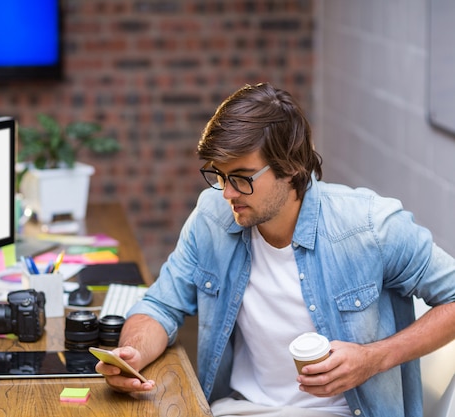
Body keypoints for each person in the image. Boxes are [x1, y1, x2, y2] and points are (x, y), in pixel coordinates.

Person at [95, 82, 455, 417]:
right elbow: (161, 305)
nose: (227, 193)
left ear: (291, 166)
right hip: (241, 408)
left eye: (241, 177)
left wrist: (373, 358)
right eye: (219, 175)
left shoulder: (370, 226)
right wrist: (132, 353)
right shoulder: (212, 218)